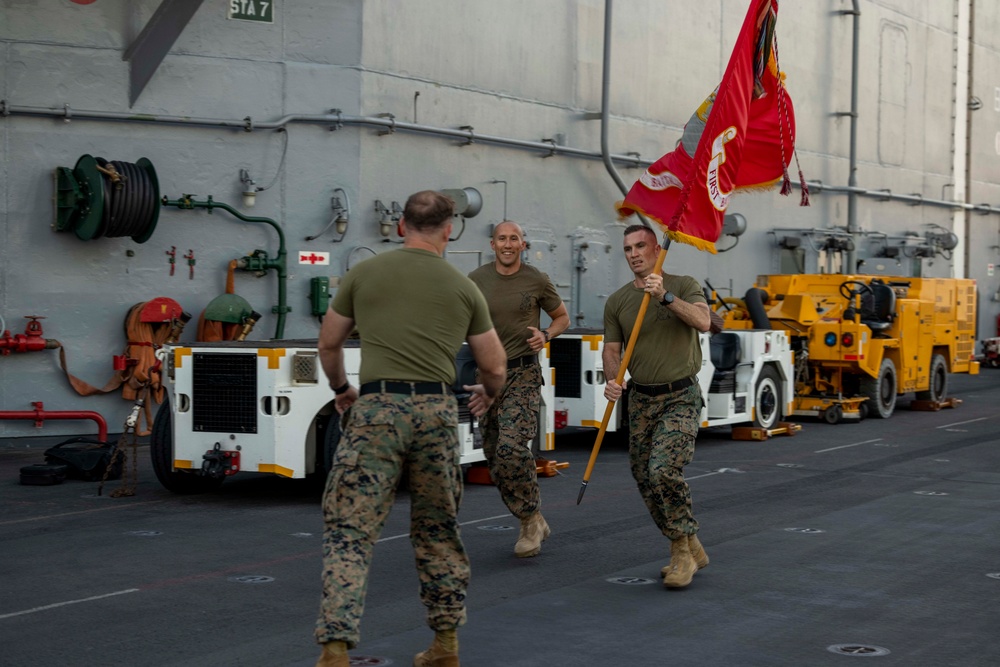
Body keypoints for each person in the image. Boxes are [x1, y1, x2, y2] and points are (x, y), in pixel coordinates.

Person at [313, 190, 507, 667]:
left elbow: (329, 343)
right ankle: (445, 646)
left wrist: (342, 387)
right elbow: (495, 365)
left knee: (351, 531)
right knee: (437, 530)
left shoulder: (364, 273)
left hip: (377, 408)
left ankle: (336, 649)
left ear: (401, 226)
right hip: (438, 412)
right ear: (448, 230)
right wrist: (488, 393)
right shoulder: (464, 287)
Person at [602, 224, 712, 589]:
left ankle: (680, 552)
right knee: (644, 478)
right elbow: (612, 350)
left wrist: (664, 296)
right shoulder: (618, 301)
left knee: (663, 470)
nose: (633, 254)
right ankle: (690, 542)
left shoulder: (682, 284)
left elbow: (703, 321)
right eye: (628, 249)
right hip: (641, 400)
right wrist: (612, 379)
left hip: (680, 395)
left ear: (656, 250)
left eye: (640, 246)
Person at [468, 220, 570, 557]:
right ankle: (532, 516)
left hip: (524, 373)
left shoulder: (536, 280)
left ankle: (528, 523)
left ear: (523, 245)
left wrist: (546, 335)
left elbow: (561, 318)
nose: (508, 244)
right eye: (502, 239)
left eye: (514, 238)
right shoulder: (476, 280)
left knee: (513, 447)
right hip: (488, 377)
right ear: (492, 244)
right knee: (496, 458)